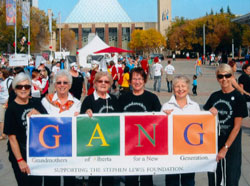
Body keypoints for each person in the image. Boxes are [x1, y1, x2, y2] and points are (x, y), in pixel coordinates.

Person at [203, 64, 248, 186]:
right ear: (217, 78)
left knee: (231, 179)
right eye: (221, 76)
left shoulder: (239, 98)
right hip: (214, 144)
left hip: (231, 146)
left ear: (232, 77)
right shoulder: (214, 96)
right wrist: (208, 112)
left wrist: (225, 148)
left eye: (227, 75)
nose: (224, 79)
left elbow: (237, 127)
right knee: (214, 179)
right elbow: (203, 119)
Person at [119, 67, 161, 186]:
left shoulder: (152, 98)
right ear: (130, 81)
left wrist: (166, 113)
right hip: (128, 145)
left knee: (146, 179)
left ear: (144, 80)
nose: (137, 82)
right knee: (130, 179)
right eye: (134, 79)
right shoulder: (123, 98)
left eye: (140, 79)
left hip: (146, 145)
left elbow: (160, 120)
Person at [4, 72, 47, 186]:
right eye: (19, 86)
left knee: (37, 183)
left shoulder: (36, 103)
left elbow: (48, 123)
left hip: (38, 153)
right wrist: (20, 160)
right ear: (14, 89)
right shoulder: (11, 109)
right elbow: (12, 138)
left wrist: (39, 114)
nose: (23, 89)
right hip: (21, 153)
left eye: (27, 86)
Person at [41, 70, 81, 186]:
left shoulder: (77, 104)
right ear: (54, 84)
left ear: (70, 85)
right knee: (52, 180)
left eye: (65, 82)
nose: (62, 85)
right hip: (50, 148)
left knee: (70, 180)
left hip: (69, 147)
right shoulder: (45, 102)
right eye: (59, 83)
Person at [81, 71, 119, 186]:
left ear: (110, 84)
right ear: (95, 83)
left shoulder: (113, 99)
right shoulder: (88, 100)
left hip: (111, 145)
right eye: (100, 81)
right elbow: (81, 123)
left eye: (106, 81)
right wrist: (85, 114)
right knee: (94, 179)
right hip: (94, 147)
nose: (103, 84)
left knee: (109, 179)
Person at [161, 75, 200, 186]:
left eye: (183, 86)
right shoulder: (166, 106)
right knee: (172, 181)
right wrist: (163, 117)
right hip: (171, 151)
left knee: (188, 180)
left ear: (188, 88)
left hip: (189, 151)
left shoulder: (195, 106)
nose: (180, 89)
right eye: (177, 86)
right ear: (173, 88)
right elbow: (161, 129)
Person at [0, 69, 10, 140]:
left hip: (6, 102)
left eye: (0, 73)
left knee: (3, 119)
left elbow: (11, 92)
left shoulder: (8, 81)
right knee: (1, 119)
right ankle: (3, 134)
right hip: (1, 101)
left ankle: (3, 134)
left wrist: (7, 102)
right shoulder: (1, 82)